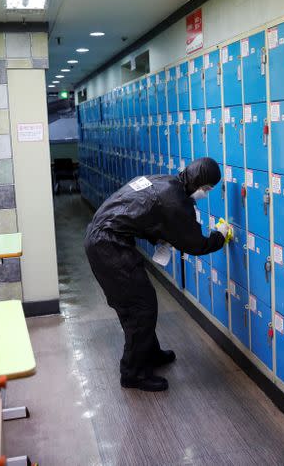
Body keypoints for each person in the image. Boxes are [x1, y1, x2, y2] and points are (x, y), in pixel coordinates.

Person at [84, 157, 232, 392]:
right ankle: (133, 373)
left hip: (105, 236)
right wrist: (220, 236)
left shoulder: (167, 182)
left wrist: (159, 234)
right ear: (199, 183)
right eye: (207, 189)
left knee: (143, 300)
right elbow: (196, 244)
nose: (205, 193)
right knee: (140, 307)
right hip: (108, 245)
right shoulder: (176, 202)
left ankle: (149, 354)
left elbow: (141, 210)